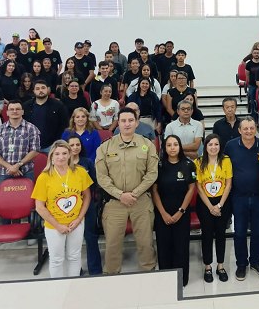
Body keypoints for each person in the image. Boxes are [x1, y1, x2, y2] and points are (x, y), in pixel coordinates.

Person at [96, 107, 159, 274]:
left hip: (141, 201)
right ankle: (111, 275)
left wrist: (134, 194)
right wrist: (120, 195)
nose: (127, 124)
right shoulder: (105, 147)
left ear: (137, 123)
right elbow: (102, 177)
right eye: (123, 120)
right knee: (112, 244)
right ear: (118, 123)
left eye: (131, 120)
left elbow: (152, 174)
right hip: (115, 203)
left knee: (146, 243)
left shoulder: (147, 145)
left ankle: (148, 272)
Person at [31, 140, 92, 278]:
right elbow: (39, 207)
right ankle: (58, 286)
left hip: (76, 223)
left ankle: (73, 283)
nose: (61, 157)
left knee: (74, 256)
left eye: (64, 153)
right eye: (57, 154)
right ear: (51, 156)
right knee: (56, 259)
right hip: (54, 226)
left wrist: (79, 219)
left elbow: (87, 197)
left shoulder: (80, 172)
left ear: (70, 154)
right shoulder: (44, 177)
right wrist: (58, 226)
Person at [224, 117, 259, 281]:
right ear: (239, 130)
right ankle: (241, 264)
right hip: (238, 197)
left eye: (252, 128)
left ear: (256, 129)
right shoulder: (230, 146)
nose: (249, 131)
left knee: (258, 232)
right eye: (245, 128)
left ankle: (256, 262)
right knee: (239, 233)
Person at [152, 134, 196, 286]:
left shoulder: (189, 164)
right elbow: (154, 190)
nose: (172, 148)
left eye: (175, 144)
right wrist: (163, 213)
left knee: (181, 247)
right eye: (169, 145)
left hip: (182, 212)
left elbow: (191, 189)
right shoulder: (158, 166)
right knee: (164, 247)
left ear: (180, 147)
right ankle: (166, 279)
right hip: (162, 212)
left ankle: (182, 279)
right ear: (164, 148)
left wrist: (181, 211)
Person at [194, 134, 233, 283]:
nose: (213, 147)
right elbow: (198, 187)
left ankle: (220, 266)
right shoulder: (198, 162)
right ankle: (208, 266)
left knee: (221, 234)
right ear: (205, 146)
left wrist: (219, 205)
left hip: (222, 202)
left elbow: (228, 185)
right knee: (207, 235)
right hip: (205, 204)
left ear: (220, 146)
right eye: (210, 144)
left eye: (216, 144)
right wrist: (210, 207)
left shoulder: (226, 160)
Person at [66, 135, 101, 275]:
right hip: (68, 207)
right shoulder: (62, 163)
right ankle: (76, 270)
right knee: (72, 240)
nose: (75, 147)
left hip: (87, 204)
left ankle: (95, 270)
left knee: (91, 237)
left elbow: (94, 183)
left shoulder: (87, 162)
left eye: (77, 145)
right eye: (72, 145)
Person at [0, 100, 40, 183]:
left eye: (17, 109)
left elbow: (35, 150)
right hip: (5, 172)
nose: (15, 111)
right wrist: (10, 167)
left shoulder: (31, 128)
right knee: (3, 192)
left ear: (22, 112)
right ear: (7, 112)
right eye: (11, 109)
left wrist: (18, 165)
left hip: (26, 172)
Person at [23, 80, 69, 153]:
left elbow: (64, 124)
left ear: (47, 89)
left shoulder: (58, 105)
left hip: (52, 146)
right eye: (37, 89)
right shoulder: (26, 106)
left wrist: (57, 142)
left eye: (43, 88)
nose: (40, 90)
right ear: (33, 91)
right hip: (31, 146)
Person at [244, 47, 259, 113]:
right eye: (255, 53)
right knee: (252, 101)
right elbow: (247, 75)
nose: (256, 54)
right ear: (252, 54)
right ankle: (253, 114)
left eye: (257, 53)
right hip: (252, 85)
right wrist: (248, 84)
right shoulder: (249, 64)